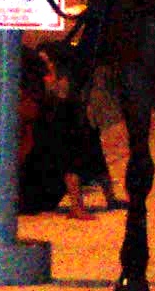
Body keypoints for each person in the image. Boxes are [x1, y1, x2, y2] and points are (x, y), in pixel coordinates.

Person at [19, 42, 119, 218]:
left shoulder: (63, 84)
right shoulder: (39, 84)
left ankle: (106, 199)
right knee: (70, 152)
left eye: (47, 61)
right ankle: (78, 205)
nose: (44, 66)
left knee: (88, 146)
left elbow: (64, 95)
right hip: (43, 165)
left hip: (66, 126)